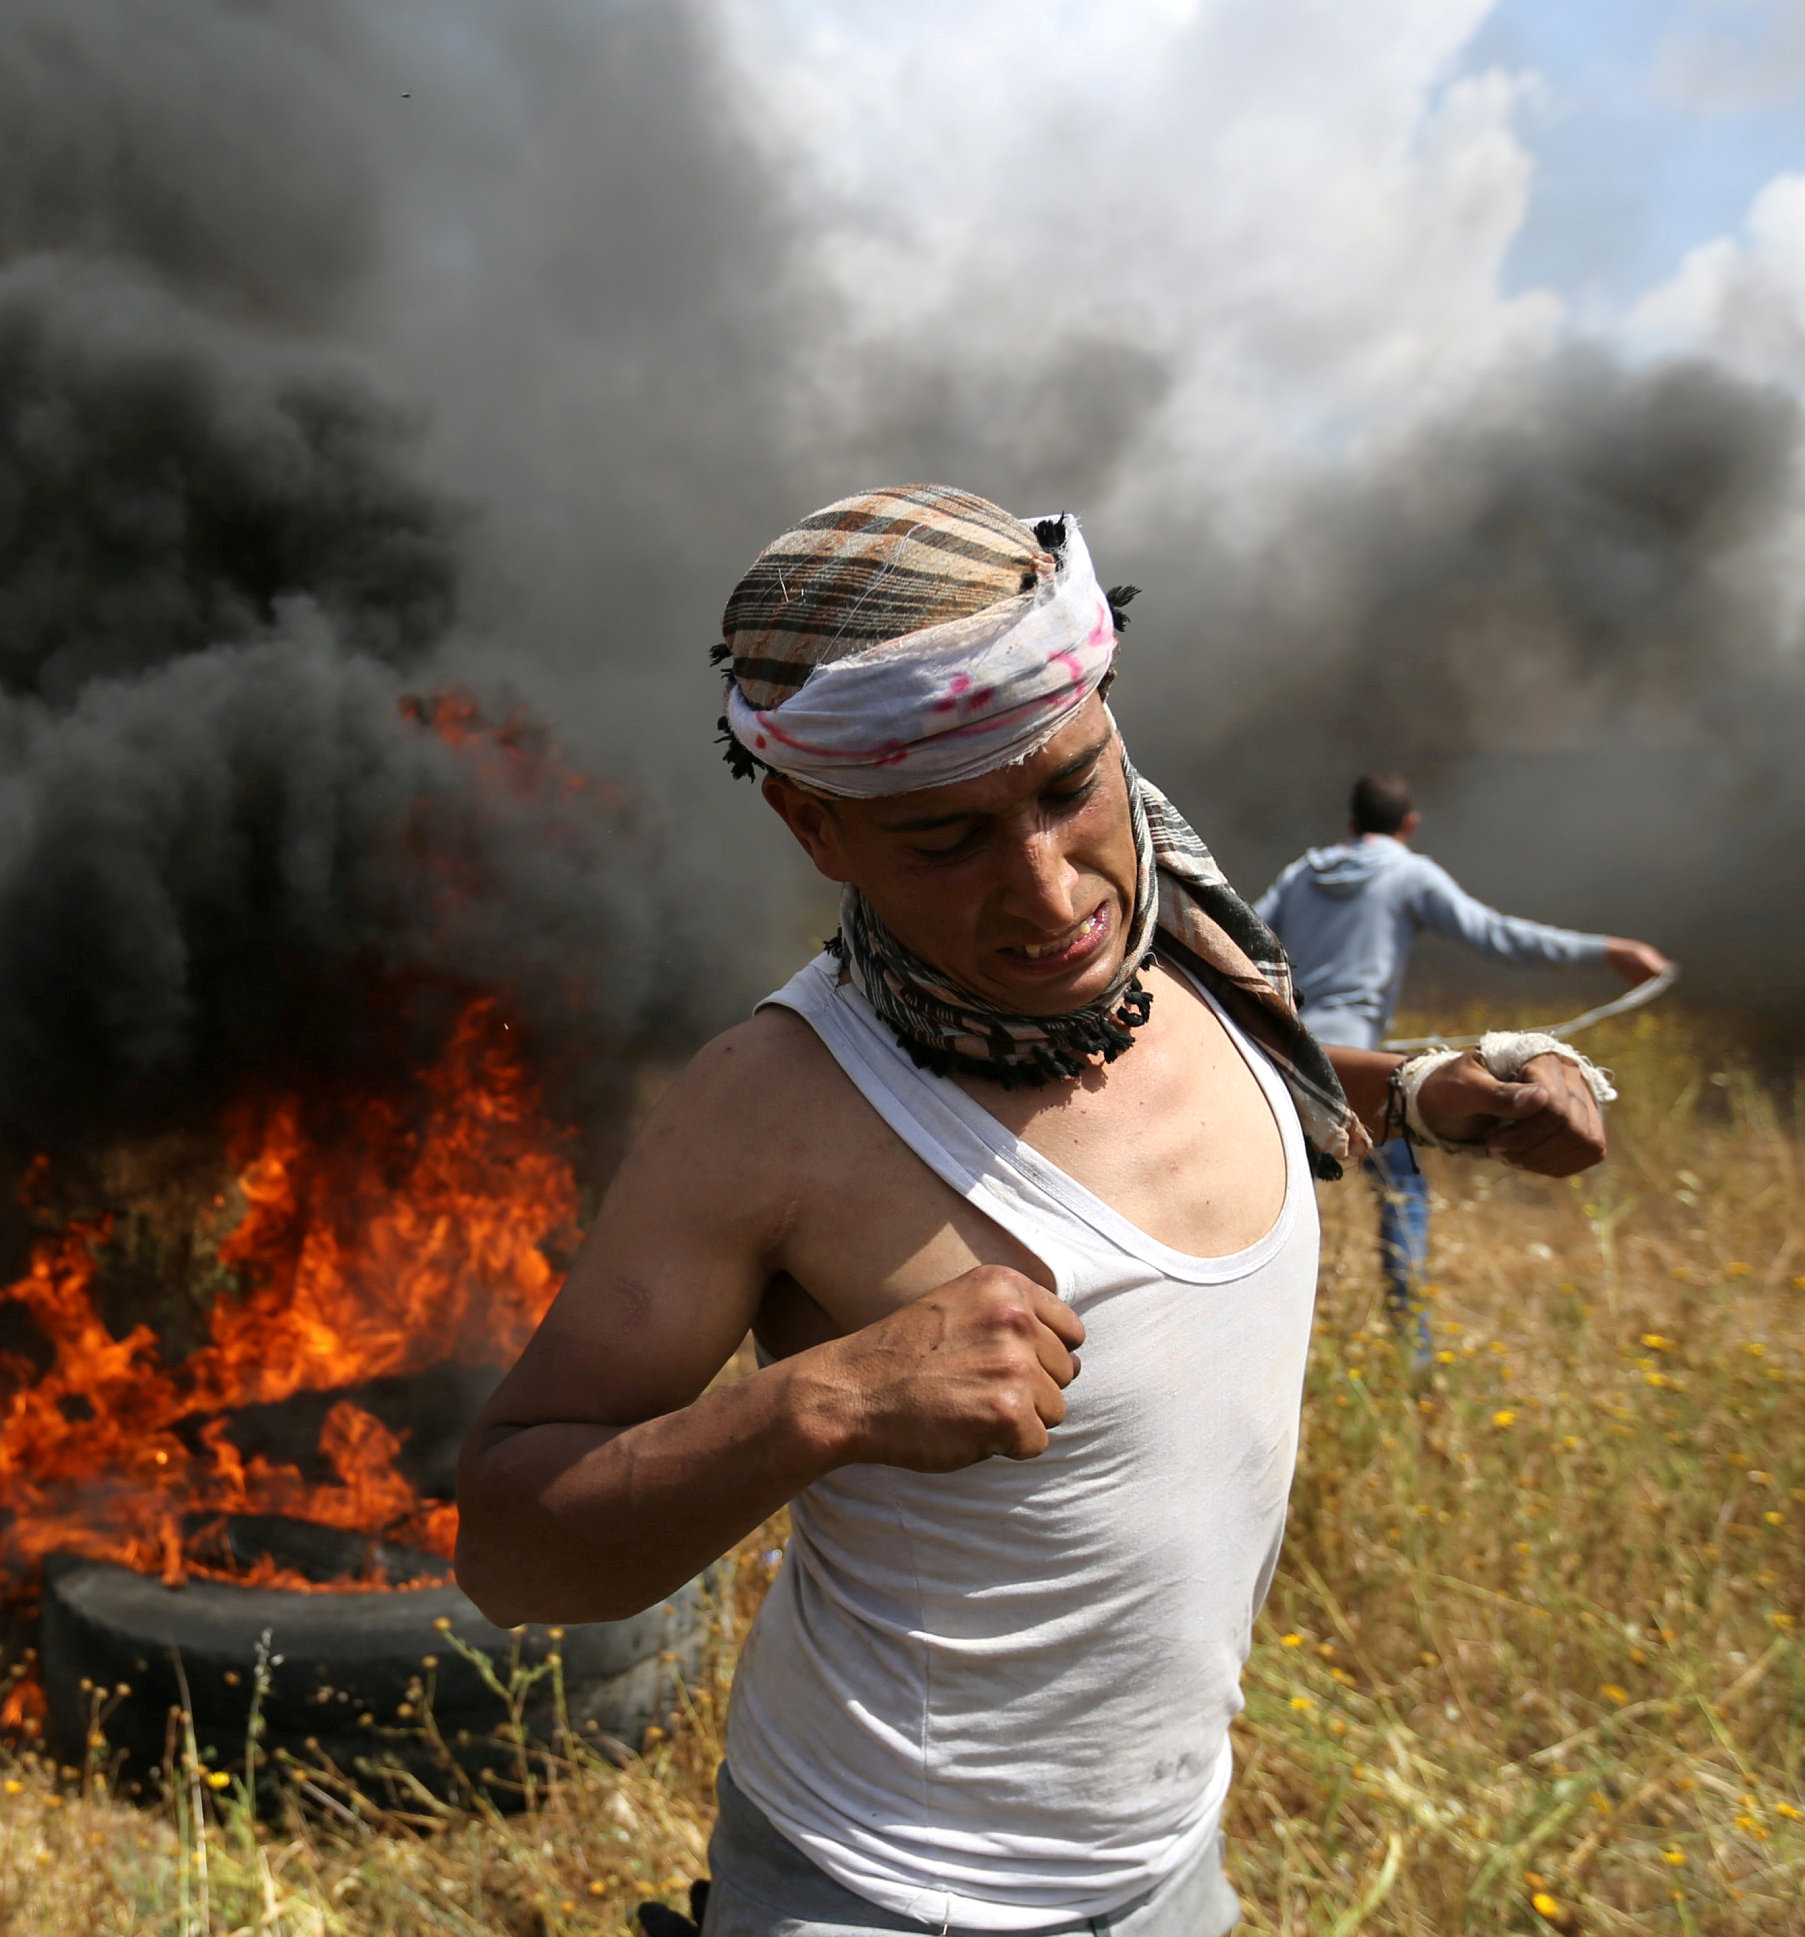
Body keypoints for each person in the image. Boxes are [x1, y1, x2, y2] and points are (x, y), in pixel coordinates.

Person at [452, 486, 1613, 1937]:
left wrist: (1440, 1090)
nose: (1048, 890)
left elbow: (1269, 1090)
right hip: (884, 1896)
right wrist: (825, 1401)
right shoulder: (775, 1107)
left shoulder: (1181, 961)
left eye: (1069, 789)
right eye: (945, 842)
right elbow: (507, 1549)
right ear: (819, 826)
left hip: (1173, 1869)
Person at [1253, 774, 1670, 1354]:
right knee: (1403, 1194)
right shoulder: (1409, 873)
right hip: (1364, 1074)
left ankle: (1263, 1341)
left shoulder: (1302, 874)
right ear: (1410, 826)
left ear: (1350, 824)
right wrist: (1610, 950)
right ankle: (1414, 1351)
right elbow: (1499, 937)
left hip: (1284, 1059)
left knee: (1272, 1203)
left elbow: (1238, 933)